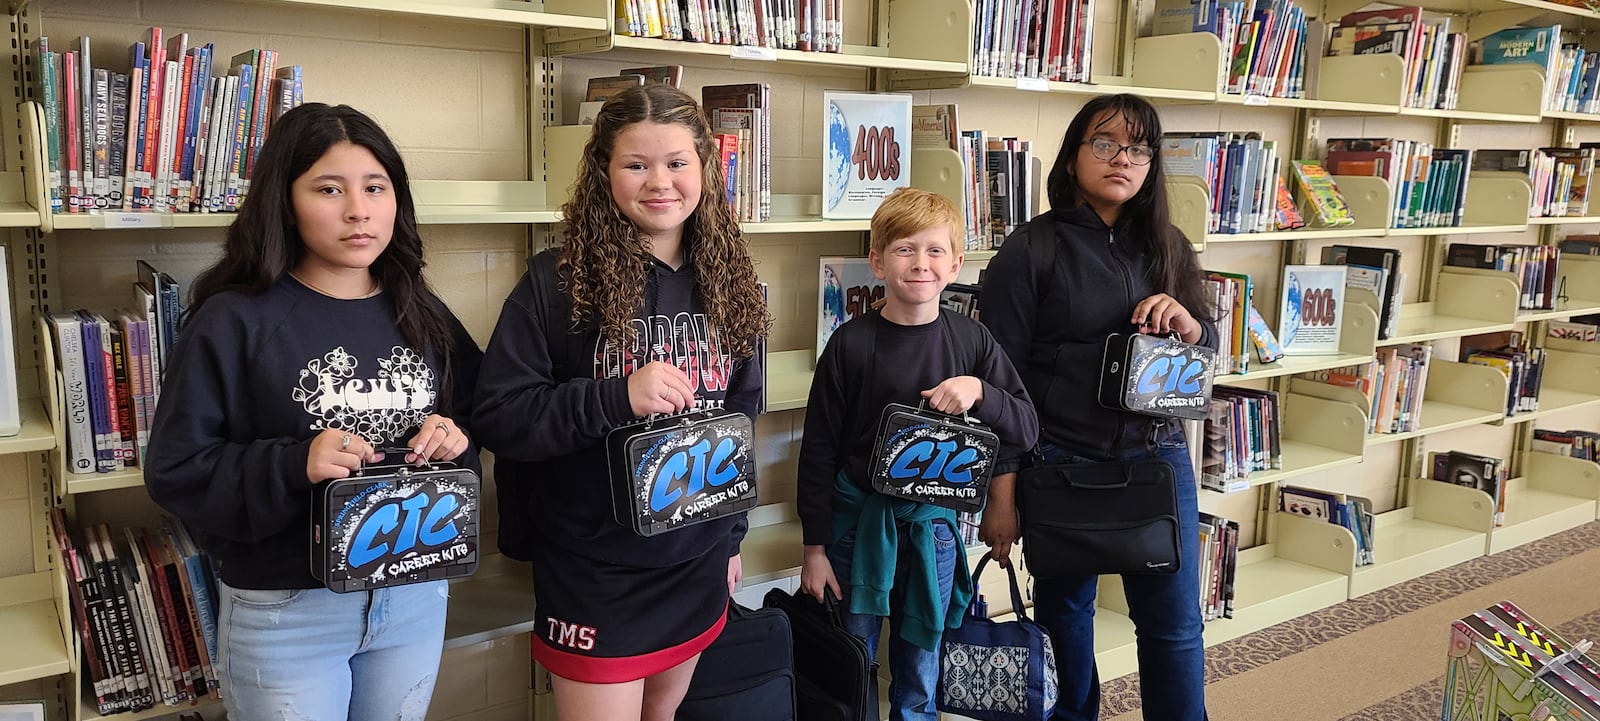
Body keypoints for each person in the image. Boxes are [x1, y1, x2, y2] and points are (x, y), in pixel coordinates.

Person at [144, 103, 483, 721]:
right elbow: (177, 469)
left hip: (412, 593)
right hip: (287, 607)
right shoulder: (232, 320)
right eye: (330, 189)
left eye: (375, 187)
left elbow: (481, 415)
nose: (358, 209)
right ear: (285, 200)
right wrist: (296, 463)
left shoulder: (422, 311)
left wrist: (454, 436)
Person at [471, 83, 768, 721]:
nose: (659, 181)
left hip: (697, 558)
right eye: (636, 164)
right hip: (594, 569)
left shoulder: (735, 277)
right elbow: (501, 416)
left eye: (676, 163)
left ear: (706, 170)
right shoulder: (555, 283)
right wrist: (615, 398)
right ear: (604, 172)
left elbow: (741, 419)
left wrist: (732, 538)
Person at [978, 93, 1218, 721]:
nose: (1123, 160)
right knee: (1066, 622)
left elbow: (1209, 349)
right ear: (1074, 155)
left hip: (1156, 456)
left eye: (1139, 148)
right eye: (1105, 143)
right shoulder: (1030, 249)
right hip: (1058, 461)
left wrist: (1189, 325)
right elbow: (1000, 386)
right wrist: (1001, 498)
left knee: (1174, 626)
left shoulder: (1169, 247)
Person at [798, 187, 1039, 721]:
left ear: (956, 263)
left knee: (921, 662)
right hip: (857, 525)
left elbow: (1025, 428)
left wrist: (981, 391)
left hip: (935, 528)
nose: (921, 263)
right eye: (905, 250)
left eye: (934, 251)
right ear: (878, 261)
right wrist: (813, 550)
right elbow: (818, 451)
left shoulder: (972, 341)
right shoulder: (850, 343)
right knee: (852, 657)